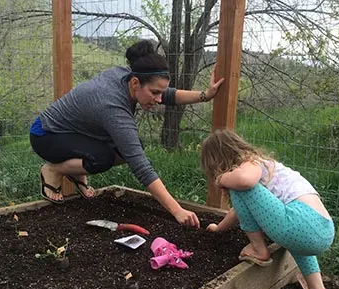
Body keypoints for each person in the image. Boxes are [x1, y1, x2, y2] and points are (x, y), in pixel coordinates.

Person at [29, 40, 224, 228]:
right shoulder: (113, 106)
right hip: (46, 135)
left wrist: (205, 96)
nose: (158, 100)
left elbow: (168, 94)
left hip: (75, 131)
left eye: (160, 94)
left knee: (127, 147)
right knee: (103, 159)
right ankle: (54, 170)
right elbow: (141, 167)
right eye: (155, 93)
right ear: (135, 83)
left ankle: (77, 173)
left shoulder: (130, 76)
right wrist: (177, 211)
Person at [201, 129, 339, 289]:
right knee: (297, 244)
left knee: (239, 187)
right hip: (320, 231)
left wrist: (221, 179)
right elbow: (240, 209)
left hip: (299, 224)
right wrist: (219, 227)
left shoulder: (251, 163)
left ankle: (259, 249)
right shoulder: (263, 169)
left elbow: (244, 182)